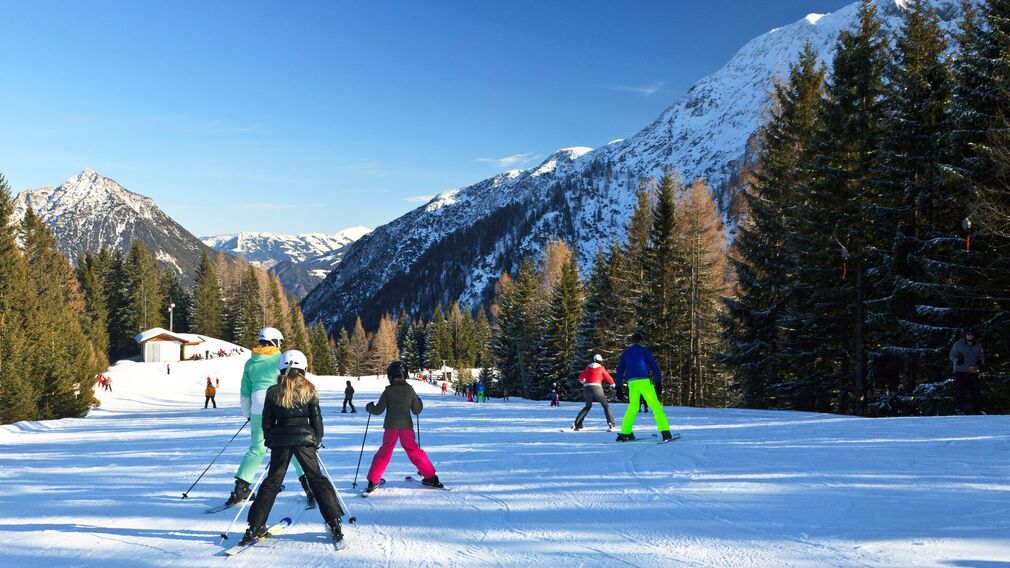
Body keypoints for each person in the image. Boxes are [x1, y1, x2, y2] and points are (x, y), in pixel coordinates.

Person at [239, 350, 344, 546]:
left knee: (272, 482)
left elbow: (267, 423)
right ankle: (334, 522)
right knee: (317, 479)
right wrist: (316, 440)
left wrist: (271, 440)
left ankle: (254, 526)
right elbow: (317, 420)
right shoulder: (310, 389)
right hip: (305, 440)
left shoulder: (273, 391)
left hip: (280, 440)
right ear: (303, 368)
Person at [225, 327, 314, 508]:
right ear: (275, 342)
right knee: (294, 443)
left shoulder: (251, 362)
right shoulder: (280, 359)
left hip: (258, 406)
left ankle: (241, 487)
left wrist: (248, 414)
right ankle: (309, 485)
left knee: (257, 448)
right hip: (279, 404)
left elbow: (245, 392)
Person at [364, 360, 443, 492]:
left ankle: (373, 481)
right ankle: (431, 477)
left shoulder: (388, 391)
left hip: (391, 427)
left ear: (391, 375)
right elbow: (416, 410)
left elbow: (378, 410)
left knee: (385, 452)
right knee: (414, 451)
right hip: (406, 427)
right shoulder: (410, 390)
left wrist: (369, 407)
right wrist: (419, 402)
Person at [615, 333, 673, 442]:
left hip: (632, 383)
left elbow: (619, 371)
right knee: (655, 406)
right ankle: (665, 432)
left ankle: (625, 432)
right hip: (644, 381)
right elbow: (654, 366)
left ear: (631, 341)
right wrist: (658, 382)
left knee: (633, 407)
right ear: (641, 341)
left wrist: (618, 387)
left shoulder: (626, 353)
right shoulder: (644, 351)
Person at [573, 354, 616, 431]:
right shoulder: (601, 368)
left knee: (587, 406)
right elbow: (607, 376)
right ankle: (611, 424)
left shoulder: (588, 367)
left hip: (586, 388)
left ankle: (577, 424)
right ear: (600, 361)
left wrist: (584, 382)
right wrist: (612, 383)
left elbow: (581, 377)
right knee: (605, 405)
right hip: (597, 387)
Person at [950, 327, 985, 415]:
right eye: (968, 334)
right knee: (961, 390)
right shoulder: (958, 344)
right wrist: (958, 360)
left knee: (976, 390)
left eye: (972, 334)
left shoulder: (978, 345)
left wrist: (979, 361)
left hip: (973, 370)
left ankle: (979, 410)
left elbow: (981, 356)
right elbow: (952, 355)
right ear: (965, 335)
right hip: (960, 370)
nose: (970, 336)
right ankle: (959, 409)